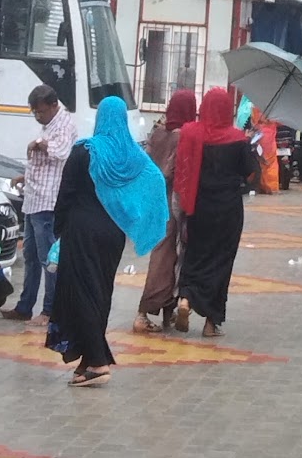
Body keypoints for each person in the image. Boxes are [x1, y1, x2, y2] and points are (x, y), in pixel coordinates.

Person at [47, 95, 167, 384]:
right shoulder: (133, 156)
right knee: (100, 294)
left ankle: (99, 363)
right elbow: (156, 180)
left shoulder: (84, 152)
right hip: (112, 235)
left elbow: (64, 197)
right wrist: (134, 215)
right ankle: (88, 360)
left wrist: (59, 231)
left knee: (81, 294)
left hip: (80, 232)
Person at [174, 88, 260, 335]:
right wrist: (247, 144)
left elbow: (184, 168)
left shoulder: (191, 132)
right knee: (222, 261)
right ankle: (211, 323)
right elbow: (251, 174)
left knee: (195, 255)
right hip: (228, 211)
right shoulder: (236, 139)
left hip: (198, 207)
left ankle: (186, 298)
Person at [3, 84, 77, 325]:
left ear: (54, 106)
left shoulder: (65, 124)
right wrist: (25, 176)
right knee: (31, 256)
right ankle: (25, 306)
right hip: (33, 199)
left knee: (49, 259)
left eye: (41, 112)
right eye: (34, 112)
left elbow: (62, 152)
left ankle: (49, 310)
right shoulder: (48, 126)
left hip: (48, 201)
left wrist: (38, 143)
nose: (38, 116)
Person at [132, 89, 196, 333]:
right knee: (166, 257)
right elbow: (173, 170)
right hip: (171, 203)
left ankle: (167, 313)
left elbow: (145, 162)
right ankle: (143, 312)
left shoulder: (158, 132)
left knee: (165, 255)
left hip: (154, 203)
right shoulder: (182, 136)